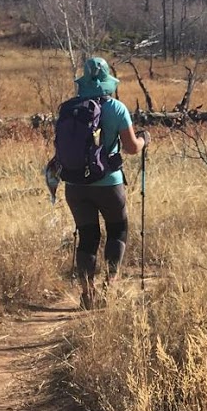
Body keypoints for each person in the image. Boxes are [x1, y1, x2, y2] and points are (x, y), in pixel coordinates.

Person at [59, 55, 148, 309]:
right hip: (109, 183)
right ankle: (111, 285)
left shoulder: (68, 108)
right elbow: (131, 148)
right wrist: (144, 141)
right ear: (107, 79)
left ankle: (88, 293)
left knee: (88, 236)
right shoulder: (116, 108)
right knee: (117, 230)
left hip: (75, 185)